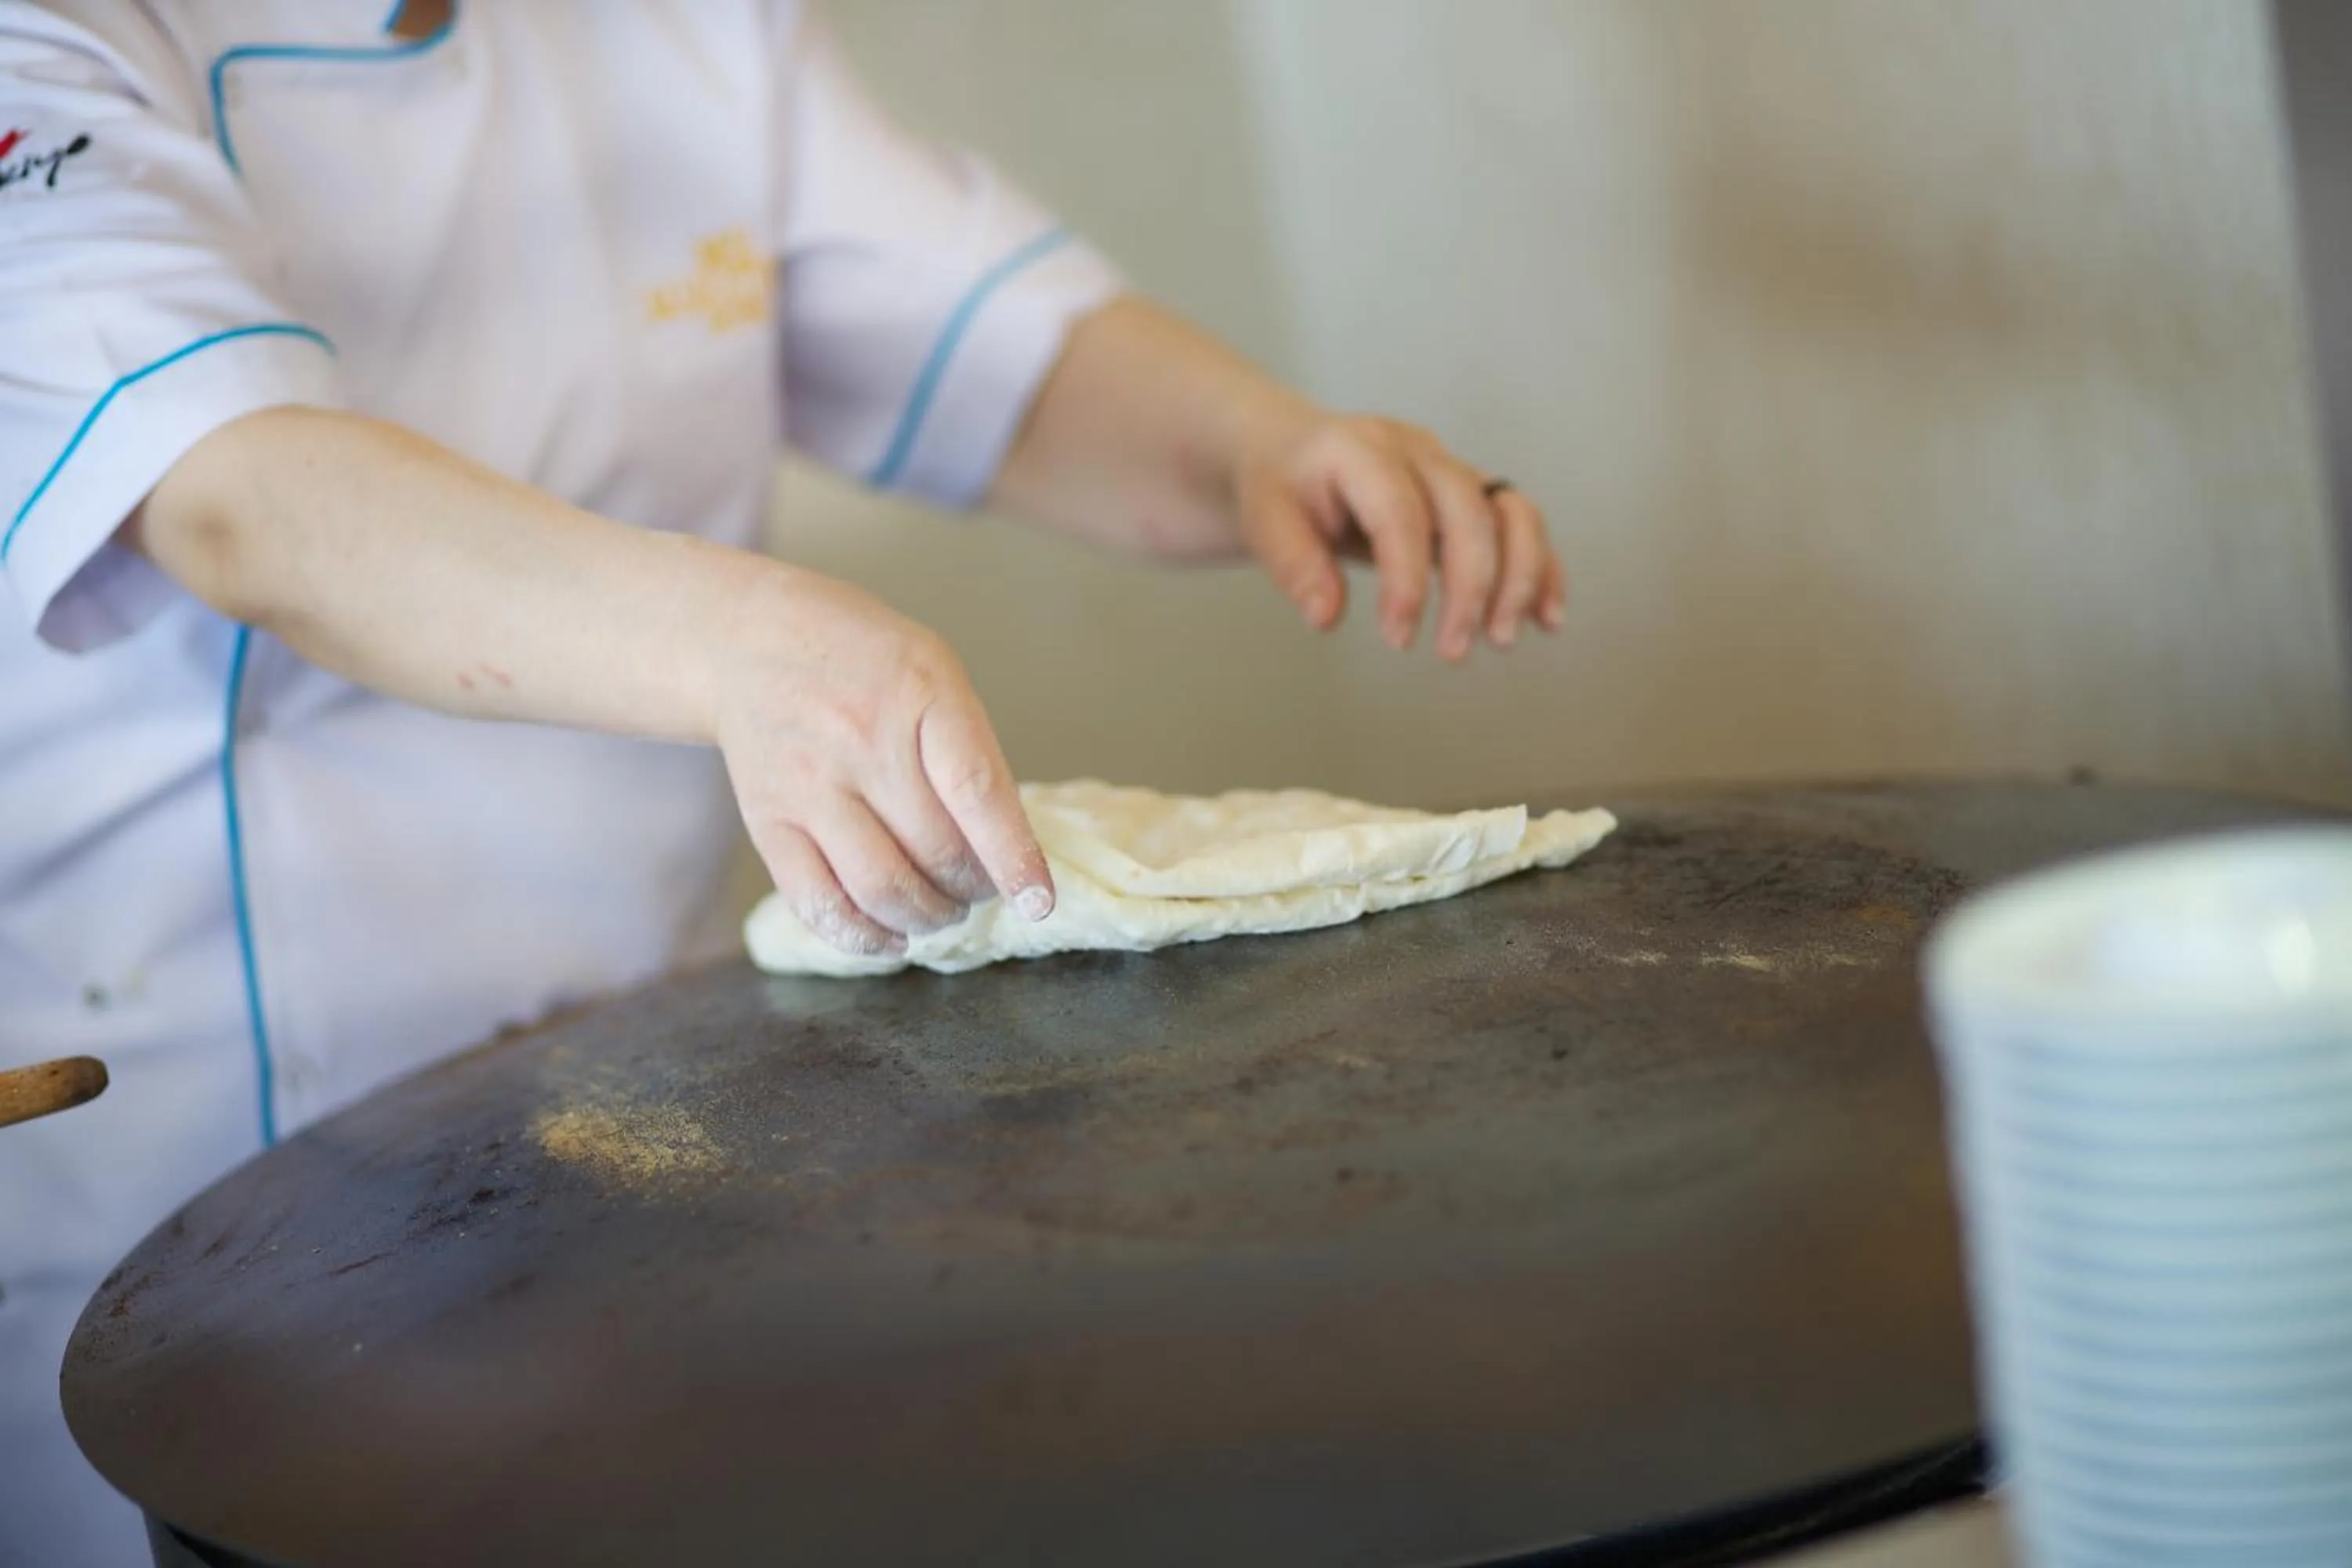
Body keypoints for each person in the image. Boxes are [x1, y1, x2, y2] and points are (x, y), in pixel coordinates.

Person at [0, 2, 1566, 1561]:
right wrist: (745, 641)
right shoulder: (53, 38)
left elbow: (994, 353)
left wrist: (1255, 446)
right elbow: (235, 498)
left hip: (623, 1131)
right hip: (190, 1208)